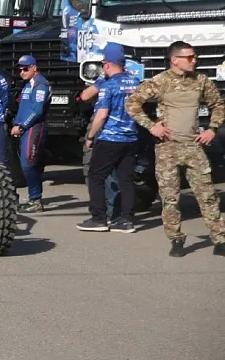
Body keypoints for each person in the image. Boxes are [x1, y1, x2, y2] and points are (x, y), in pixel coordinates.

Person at [125, 40, 225, 257]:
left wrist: (212, 129)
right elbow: (132, 103)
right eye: (190, 57)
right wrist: (152, 127)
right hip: (167, 148)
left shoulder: (201, 81)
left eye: (195, 56)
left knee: (207, 194)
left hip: (194, 147)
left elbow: (218, 104)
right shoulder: (159, 82)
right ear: (175, 60)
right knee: (170, 198)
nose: (194, 60)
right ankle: (176, 239)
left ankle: (219, 239)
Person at [79, 43, 139, 233]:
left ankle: (98, 218)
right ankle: (127, 220)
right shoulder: (135, 82)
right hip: (131, 138)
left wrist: (90, 136)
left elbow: (102, 114)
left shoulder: (108, 85)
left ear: (106, 64)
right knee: (126, 180)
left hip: (110, 137)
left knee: (96, 176)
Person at [10, 55, 50, 213]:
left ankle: (35, 199)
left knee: (28, 164)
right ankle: (34, 198)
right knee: (27, 164)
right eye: (20, 69)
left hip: (33, 128)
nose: (22, 72)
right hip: (24, 129)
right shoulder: (28, 84)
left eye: (25, 69)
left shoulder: (40, 84)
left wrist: (22, 126)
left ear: (34, 67)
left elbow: (37, 111)